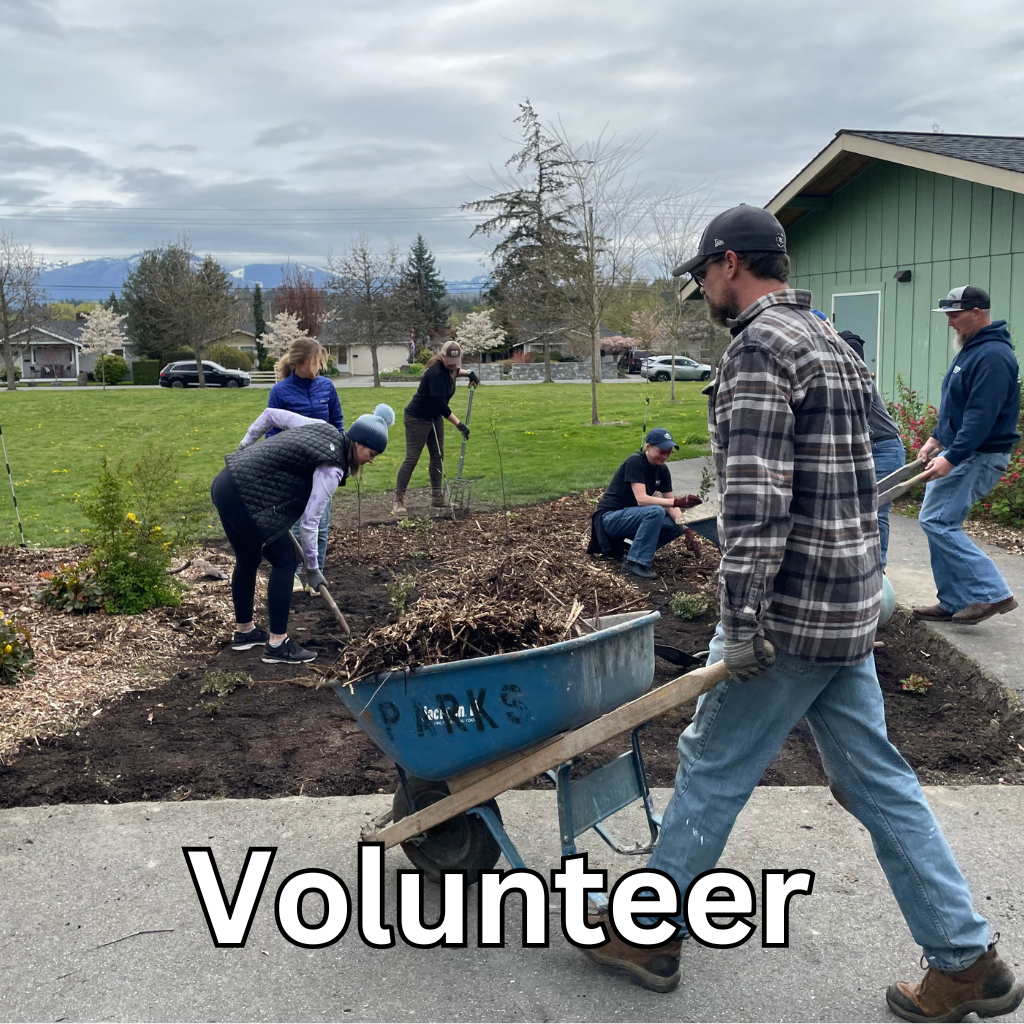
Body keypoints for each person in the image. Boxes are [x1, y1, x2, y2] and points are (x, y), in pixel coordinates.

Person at [580, 205, 1020, 1024]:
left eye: (704, 274)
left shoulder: (758, 350)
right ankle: (967, 960)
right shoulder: (827, 341)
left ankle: (646, 933)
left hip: (789, 618)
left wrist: (742, 628)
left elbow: (754, 510)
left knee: (712, 762)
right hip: (847, 607)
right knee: (876, 780)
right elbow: (870, 474)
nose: (704, 289)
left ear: (733, 263)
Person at [211, 403, 394, 665]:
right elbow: (310, 523)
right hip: (244, 498)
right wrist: (312, 567)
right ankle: (277, 644)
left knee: (249, 559)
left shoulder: (322, 428)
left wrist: (244, 446)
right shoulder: (332, 468)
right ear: (359, 442)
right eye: (372, 453)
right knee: (286, 561)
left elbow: (271, 415)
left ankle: (245, 632)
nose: (372, 460)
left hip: (226, 483)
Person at [912, 286, 1020, 625]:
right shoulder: (972, 350)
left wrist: (953, 456)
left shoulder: (992, 355)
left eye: (955, 315)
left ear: (977, 313)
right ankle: (954, 599)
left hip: (979, 455)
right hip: (966, 451)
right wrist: (935, 439)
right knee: (939, 521)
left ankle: (992, 593)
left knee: (937, 521)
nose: (949, 323)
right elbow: (957, 407)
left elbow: (980, 416)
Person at [810, 310, 907, 568]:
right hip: (863, 449)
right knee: (853, 511)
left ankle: (879, 569)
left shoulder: (850, 371)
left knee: (876, 511)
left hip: (884, 447)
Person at [266, 337, 344, 595]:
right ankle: (295, 574)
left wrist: (340, 462)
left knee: (320, 525)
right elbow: (272, 431)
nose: (321, 367)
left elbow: (338, 427)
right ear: (301, 362)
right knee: (298, 526)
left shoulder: (327, 388)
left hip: (323, 467)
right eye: (317, 362)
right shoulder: (280, 392)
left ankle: (315, 575)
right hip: (294, 469)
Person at [587, 428, 702, 579]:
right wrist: (677, 501)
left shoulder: (662, 470)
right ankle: (635, 563)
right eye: (661, 451)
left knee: (676, 523)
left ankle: (628, 549)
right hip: (609, 519)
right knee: (655, 511)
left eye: (669, 452)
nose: (665, 456)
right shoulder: (636, 462)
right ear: (648, 447)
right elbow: (642, 500)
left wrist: (687, 528)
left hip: (630, 519)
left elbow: (670, 505)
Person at [393, 339, 479, 514]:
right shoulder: (435, 373)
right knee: (412, 458)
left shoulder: (450, 368)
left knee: (438, 456)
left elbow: (455, 371)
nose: (453, 365)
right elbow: (441, 405)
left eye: (456, 362)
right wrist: (460, 425)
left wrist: (469, 373)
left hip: (434, 417)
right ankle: (398, 500)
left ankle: (437, 497)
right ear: (443, 356)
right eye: (450, 362)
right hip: (417, 418)